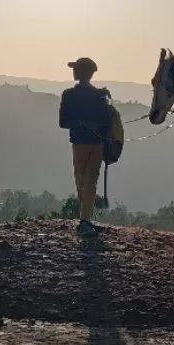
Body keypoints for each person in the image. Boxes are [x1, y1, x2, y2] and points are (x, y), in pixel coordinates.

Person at [59, 57, 112, 234]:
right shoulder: (100, 95)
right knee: (90, 181)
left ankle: (84, 220)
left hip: (79, 142)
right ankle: (85, 219)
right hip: (97, 143)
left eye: (75, 69)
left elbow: (63, 122)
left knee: (81, 181)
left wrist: (80, 123)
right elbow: (106, 120)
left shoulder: (68, 95)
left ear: (79, 73)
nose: (73, 72)